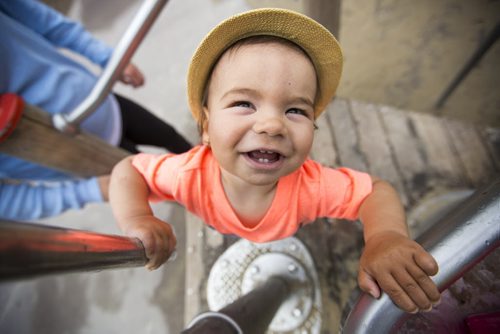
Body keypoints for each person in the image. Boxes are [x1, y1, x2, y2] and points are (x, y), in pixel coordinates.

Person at [109, 8, 441, 313]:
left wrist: (385, 236)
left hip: (283, 226)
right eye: (244, 103)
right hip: (220, 218)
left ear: (313, 125)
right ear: (207, 127)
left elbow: (374, 191)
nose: (272, 124)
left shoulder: (311, 186)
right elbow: (128, 170)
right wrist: (137, 215)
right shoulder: (187, 175)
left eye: (295, 110)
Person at [0, 0, 192, 221]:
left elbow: (46, 22)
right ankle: (212, 212)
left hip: (99, 101)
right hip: (83, 159)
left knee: (172, 138)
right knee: (171, 189)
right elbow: (6, 200)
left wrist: (106, 57)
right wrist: (87, 192)